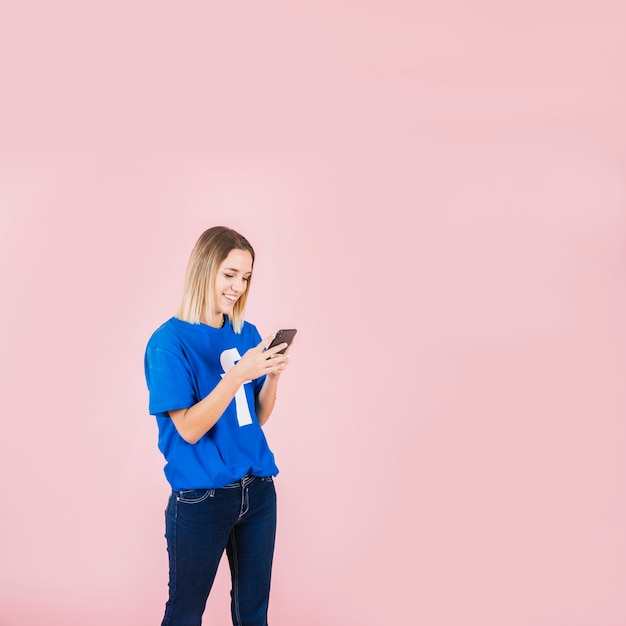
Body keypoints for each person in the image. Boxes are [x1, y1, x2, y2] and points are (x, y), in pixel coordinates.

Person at [144, 226, 292, 626]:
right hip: (201, 497)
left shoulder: (247, 334)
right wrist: (237, 375)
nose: (238, 287)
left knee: (253, 614)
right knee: (185, 614)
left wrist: (272, 376)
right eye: (229, 274)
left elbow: (255, 418)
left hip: (258, 492)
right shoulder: (168, 342)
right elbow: (189, 429)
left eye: (245, 277)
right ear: (204, 270)